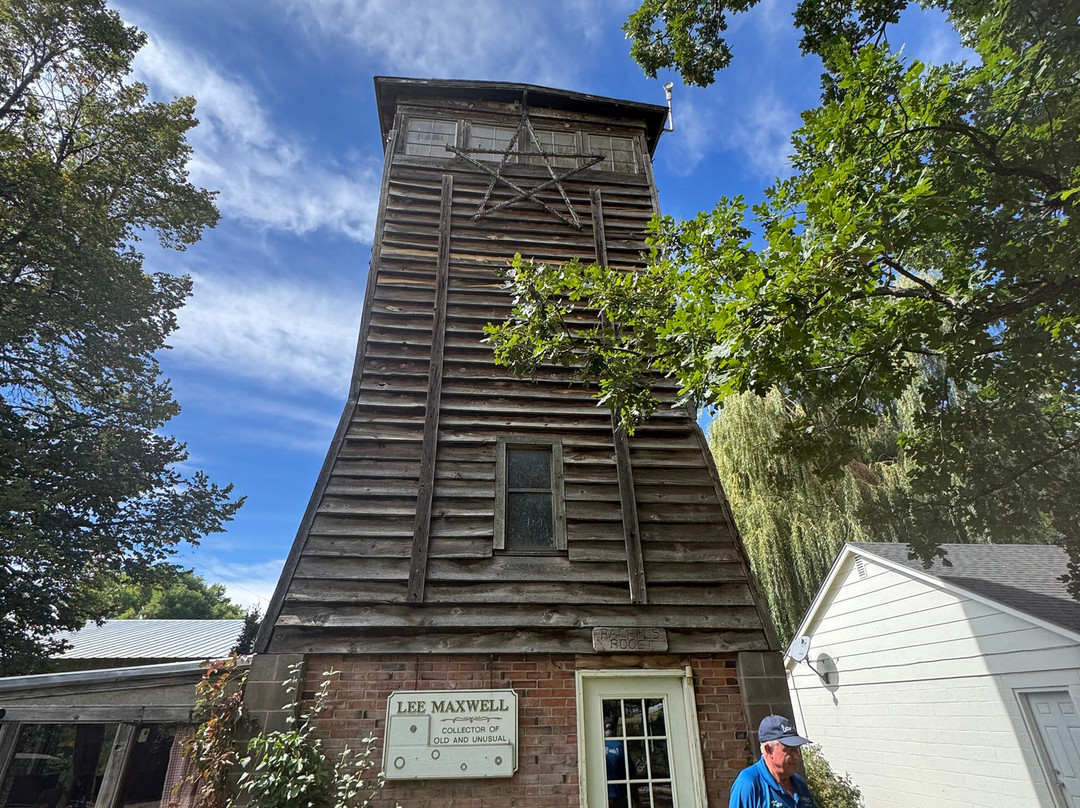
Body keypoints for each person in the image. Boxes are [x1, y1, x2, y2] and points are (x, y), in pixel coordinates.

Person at [728, 714, 817, 808]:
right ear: (768, 750)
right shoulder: (749, 783)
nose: (797, 756)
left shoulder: (799, 784)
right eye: (790, 749)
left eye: (797, 749)